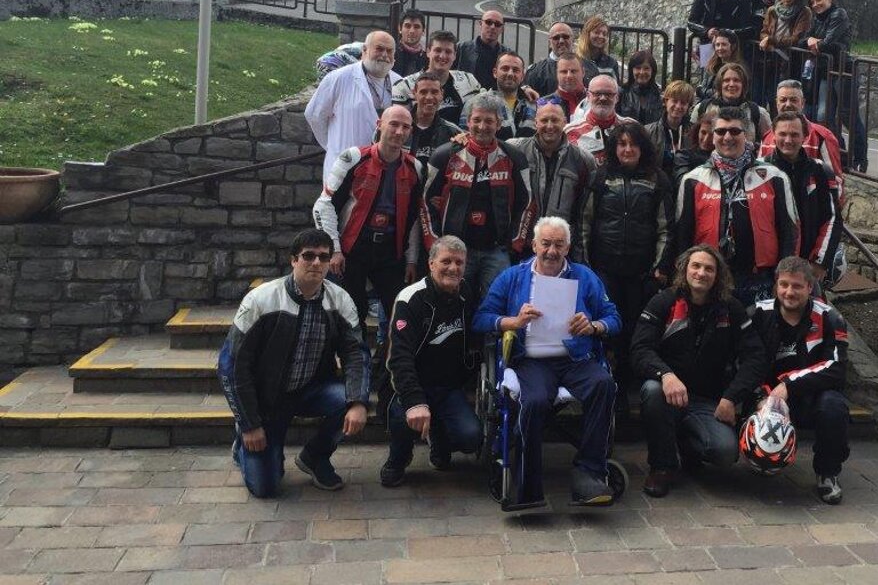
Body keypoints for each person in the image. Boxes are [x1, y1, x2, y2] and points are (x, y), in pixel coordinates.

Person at [472, 216, 621, 509]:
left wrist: (593, 326)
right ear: (534, 245)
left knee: (604, 384)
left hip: (574, 357)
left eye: (559, 245)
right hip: (531, 360)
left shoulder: (584, 277)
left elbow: (614, 318)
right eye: (546, 243)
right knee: (536, 400)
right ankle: (528, 485)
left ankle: (589, 471)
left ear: (568, 248)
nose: (552, 251)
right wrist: (513, 321)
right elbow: (481, 318)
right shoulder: (512, 277)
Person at [218, 229, 370, 498]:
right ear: (293, 260)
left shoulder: (340, 299)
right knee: (265, 488)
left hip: (312, 389)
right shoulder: (261, 299)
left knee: (349, 399)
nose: (316, 263)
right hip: (267, 400)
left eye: (323, 257)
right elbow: (231, 365)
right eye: (308, 256)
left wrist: (358, 401)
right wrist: (249, 423)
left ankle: (315, 457)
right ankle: (242, 443)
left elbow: (355, 353)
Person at [631, 244, 766, 497]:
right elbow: (640, 349)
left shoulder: (732, 308)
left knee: (725, 453)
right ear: (685, 269)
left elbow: (755, 357)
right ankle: (661, 467)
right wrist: (665, 375)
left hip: (708, 401)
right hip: (669, 395)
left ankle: (686, 445)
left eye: (709, 269)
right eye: (696, 266)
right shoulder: (664, 301)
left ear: (718, 275)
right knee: (651, 390)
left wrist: (732, 397)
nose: (701, 273)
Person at [580, 121, 674, 412]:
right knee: (607, 329)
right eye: (622, 144)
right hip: (604, 269)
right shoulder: (600, 177)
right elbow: (584, 222)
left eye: (633, 144)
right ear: (614, 147)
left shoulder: (658, 179)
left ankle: (628, 384)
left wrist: (660, 268)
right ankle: (607, 387)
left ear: (643, 147)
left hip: (641, 272)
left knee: (635, 329)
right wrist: (585, 266)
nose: (628, 149)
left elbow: (666, 228)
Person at [381, 236, 481, 488]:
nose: (453, 268)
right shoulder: (410, 298)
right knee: (403, 418)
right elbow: (399, 357)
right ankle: (398, 458)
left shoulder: (467, 293)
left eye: (459, 262)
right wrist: (415, 401)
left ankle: (439, 439)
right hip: (411, 385)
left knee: (471, 437)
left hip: (448, 388)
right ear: (431, 263)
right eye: (446, 261)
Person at [312, 105, 425, 327]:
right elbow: (324, 205)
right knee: (352, 312)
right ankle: (356, 350)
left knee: (400, 312)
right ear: (379, 125)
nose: (399, 131)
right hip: (352, 249)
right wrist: (334, 249)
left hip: (391, 252)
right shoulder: (353, 158)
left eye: (405, 127)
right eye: (394, 124)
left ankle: (389, 351)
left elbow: (413, 218)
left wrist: (411, 259)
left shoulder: (415, 168)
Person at [676, 106, 799, 307]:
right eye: (720, 131)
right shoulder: (693, 180)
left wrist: (785, 277)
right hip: (710, 278)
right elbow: (683, 235)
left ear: (747, 136)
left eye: (734, 131)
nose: (727, 137)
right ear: (713, 136)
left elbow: (789, 231)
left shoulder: (774, 177)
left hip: (761, 279)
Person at [753, 256, 851, 505]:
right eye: (784, 284)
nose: (789, 292)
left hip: (811, 397)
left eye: (797, 286)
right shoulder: (758, 313)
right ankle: (759, 459)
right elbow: (746, 361)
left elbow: (836, 368)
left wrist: (789, 385)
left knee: (834, 406)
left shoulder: (830, 318)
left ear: (810, 287)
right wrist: (761, 395)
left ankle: (828, 473)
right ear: (776, 285)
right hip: (766, 395)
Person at [421, 93, 536, 301]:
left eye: (489, 121)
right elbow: (425, 202)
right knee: (453, 303)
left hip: (497, 250)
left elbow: (526, 202)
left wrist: (515, 242)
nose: (482, 126)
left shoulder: (514, 157)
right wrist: (434, 242)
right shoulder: (444, 155)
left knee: (496, 303)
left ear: (499, 124)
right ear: (468, 121)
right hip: (455, 250)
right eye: (477, 120)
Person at [507, 99, 596, 259]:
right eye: (544, 120)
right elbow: (488, 145)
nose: (549, 126)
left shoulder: (583, 160)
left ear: (565, 122)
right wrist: (464, 138)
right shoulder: (515, 150)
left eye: (555, 120)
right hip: (520, 245)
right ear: (536, 122)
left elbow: (584, 212)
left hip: (559, 249)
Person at [305, 30, 402, 175]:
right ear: (365, 50)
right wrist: (333, 146)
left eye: (389, 51)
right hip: (343, 169)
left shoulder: (399, 83)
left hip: (383, 170)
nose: (384, 55)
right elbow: (314, 115)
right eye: (379, 49)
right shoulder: (338, 78)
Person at [798, 0, 867, 171]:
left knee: (848, 116)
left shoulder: (839, 15)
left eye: (819, 0)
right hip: (825, 71)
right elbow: (802, 41)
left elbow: (828, 43)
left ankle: (860, 158)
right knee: (824, 116)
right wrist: (810, 41)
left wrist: (816, 42)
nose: (816, 4)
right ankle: (841, 155)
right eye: (813, 2)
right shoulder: (816, 19)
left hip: (844, 71)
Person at [767, 113, 840, 283]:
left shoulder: (820, 171)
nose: (788, 140)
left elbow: (832, 217)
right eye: (782, 134)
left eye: (794, 134)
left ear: (805, 136)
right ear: (773, 135)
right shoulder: (760, 171)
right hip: (769, 267)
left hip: (808, 266)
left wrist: (819, 261)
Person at [759, 80, 845, 198]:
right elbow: (759, 179)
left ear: (803, 103)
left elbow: (836, 183)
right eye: (783, 100)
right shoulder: (767, 137)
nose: (788, 104)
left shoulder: (823, 136)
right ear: (777, 103)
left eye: (793, 100)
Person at [393, 31, 481, 127]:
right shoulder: (404, 86)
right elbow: (400, 125)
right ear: (428, 52)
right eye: (438, 50)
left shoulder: (469, 81)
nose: (442, 56)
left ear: (455, 55)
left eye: (448, 52)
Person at [691, 62, 771, 144]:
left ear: (743, 85)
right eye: (726, 80)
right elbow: (691, 142)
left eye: (736, 80)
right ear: (720, 84)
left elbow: (769, 143)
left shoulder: (758, 113)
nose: (731, 84)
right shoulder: (702, 108)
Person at [563, 75, 633, 165]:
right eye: (597, 93)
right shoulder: (569, 132)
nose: (603, 98)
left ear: (617, 98)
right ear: (588, 96)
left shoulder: (631, 126)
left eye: (608, 94)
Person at [523, 22, 598, 98]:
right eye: (556, 38)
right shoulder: (535, 72)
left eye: (565, 37)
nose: (561, 41)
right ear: (549, 43)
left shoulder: (590, 68)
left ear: (573, 40)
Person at [404, 72, 463, 165]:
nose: (429, 97)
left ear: (442, 94)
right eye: (423, 92)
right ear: (414, 93)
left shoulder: (454, 133)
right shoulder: (397, 127)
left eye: (434, 92)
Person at [455, 10, 511, 90]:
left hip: (496, 96)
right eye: (488, 22)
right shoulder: (461, 49)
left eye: (497, 24)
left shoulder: (507, 55)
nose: (492, 27)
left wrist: (526, 88)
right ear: (481, 24)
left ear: (502, 29)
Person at [486, 51, 536, 140]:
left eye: (515, 70)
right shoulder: (479, 103)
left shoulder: (534, 105)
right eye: (505, 69)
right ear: (495, 72)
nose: (510, 74)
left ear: (522, 76)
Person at [646, 80, 695, 171]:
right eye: (674, 101)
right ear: (666, 101)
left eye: (683, 103)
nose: (678, 106)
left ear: (689, 106)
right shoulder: (648, 131)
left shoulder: (694, 132)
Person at [672, 106, 717, 184]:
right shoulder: (683, 156)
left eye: (712, 135)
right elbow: (684, 181)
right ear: (697, 131)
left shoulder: (725, 158)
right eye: (703, 133)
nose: (706, 139)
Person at [618, 50, 664, 125]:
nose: (642, 72)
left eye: (646, 68)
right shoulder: (621, 93)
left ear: (652, 71)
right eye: (638, 68)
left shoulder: (659, 96)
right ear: (631, 70)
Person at [694, 30, 742, 100]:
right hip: (706, 102)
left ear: (733, 46)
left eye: (724, 44)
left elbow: (723, 93)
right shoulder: (711, 64)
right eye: (717, 45)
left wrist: (700, 91)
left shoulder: (738, 68)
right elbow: (703, 87)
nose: (720, 48)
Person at [541, 54, 589, 119]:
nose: (569, 76)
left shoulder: (594, 100)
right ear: (556, 74)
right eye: (564, 72)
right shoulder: (543, 104)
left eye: (573, 71)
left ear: (583, 72)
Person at [577, 15, 620, 82]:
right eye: (596, 32)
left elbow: (616, 86)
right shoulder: (576, 60)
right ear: (587, 35)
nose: (601, 36)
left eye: (604, 34)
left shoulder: (611, 63)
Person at [393, 11, 427, 78]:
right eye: (407, 26)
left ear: (423, 31)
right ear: (400, 28)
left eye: (416, 27)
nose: (412, 31)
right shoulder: (391, 54)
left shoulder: (427, 59)